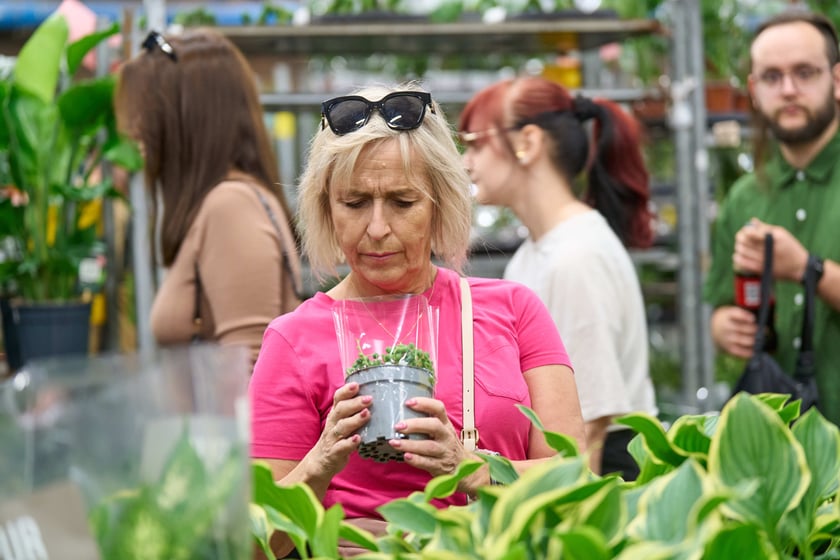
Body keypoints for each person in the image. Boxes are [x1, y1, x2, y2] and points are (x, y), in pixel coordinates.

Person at [249, 83, 587, 557]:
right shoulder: (292, 339)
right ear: (326, 206)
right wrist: (320, 462)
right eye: (354, 202)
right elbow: (257, 542)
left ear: (440, 203)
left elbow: (575, 477)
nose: (378, 228)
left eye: (403, 202)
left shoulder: (513, 310)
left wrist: (471, 468)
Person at [458, 76, 658, 480]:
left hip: (605, 477)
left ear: (527, 143)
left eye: (477, 143)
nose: (466, 162)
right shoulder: (539, 252)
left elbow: (591, 428)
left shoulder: (575, 258)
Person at [114, 29, 301, 365]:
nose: (137, 129)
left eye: (149, 114)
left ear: (188, 119)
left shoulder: (231, 207)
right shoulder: (228, 201)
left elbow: (250, 372)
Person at [705, 10, 840, 425]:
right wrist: (723, 327)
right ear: (752, 89)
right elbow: (722, 305)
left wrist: (806, 268)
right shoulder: (745, 198)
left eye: (805, 72)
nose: (788, 89)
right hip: (778, 445)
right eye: (771, 77)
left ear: (836, 80)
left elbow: (804, 269)